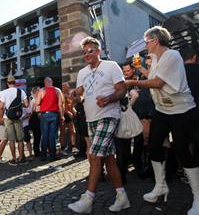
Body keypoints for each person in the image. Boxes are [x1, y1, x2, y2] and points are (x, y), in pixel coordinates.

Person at [126, 26, 198, 214]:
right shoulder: (156, 58)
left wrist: (132, 82)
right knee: (154, 147)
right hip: (162, 110)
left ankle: (198, 196)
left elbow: (158, 83)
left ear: (156, 40)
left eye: (147, 41)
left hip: (182, 110)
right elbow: (153, 76)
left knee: (182, 151)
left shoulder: (172, 55)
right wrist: (139, 68)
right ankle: (160, 186)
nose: (145, 44)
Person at [68, 37, 130, 213]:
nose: (87, 54)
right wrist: (74, 96)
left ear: (98, 51)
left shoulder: (111, 66)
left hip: (109, 116)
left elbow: (122, 89)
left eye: (91, 50)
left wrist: (109, 99)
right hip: (91, 119)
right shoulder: (82, 73)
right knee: (108, 159)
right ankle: (122, 197)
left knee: (94, 156)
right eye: (84, 51)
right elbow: (80, 95)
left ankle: (88, 199)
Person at [0, 76, 28, 165]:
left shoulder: (4, 93)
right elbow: (26, 104)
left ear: (7, 83)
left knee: (11, 140)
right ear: (15, 83)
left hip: (7, 118)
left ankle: (14, 159)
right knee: (20, 140)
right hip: (18, 117)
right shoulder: (21, 92)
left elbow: (1, 107)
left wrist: (0, 117)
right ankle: (21, 158)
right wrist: (18, 105)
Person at [35, 77, 64, 161]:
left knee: (44, 135)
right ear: (52, 82)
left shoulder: (42, 90)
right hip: (54, 114)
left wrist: (39, 110)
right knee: (52, 136)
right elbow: (60, 105)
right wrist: (62, 116)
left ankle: (43, 156)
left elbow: (37, 103)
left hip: (44, 114)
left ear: (44, 83)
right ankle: (52, 156)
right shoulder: (57, 91)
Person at [60, 82, 79, 156]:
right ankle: (62, 148)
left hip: (69, 114)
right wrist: (68, 112)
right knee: (63, 132)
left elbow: (71, 105)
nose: (65, 88)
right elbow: (61, 106)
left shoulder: (70, 94)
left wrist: (74, 111)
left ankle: (73, 147)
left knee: (72, 131)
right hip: (63, 114)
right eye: (64, 86)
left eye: (66, 86)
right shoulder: (61, 94)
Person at [29, 86, 41, 157]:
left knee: (38, 136)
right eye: (39, 91)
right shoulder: (33, 100)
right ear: (35, 92)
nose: (40, 92)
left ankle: (38, 151)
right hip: (35, 119)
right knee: (37, 136)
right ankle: (37, 152)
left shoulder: (37, 99)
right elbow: (31, 111)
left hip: (38, 119)